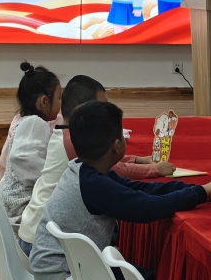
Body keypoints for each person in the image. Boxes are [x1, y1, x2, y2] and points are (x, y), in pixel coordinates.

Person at [30, 100, 211, 280]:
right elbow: (148, 208)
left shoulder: (83, 170)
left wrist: (197, 190)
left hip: (70, 270)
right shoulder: (94, 184)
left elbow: (139, 189)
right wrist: (201, 193)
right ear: (117, 146)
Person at [17, 75, 175, 256]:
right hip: (40, 243)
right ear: (84, 112)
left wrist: (138, 159)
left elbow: (107, 156)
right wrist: (154, 169)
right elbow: (116, 169)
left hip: (34, 232)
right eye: (102, 108)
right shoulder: (73, 141)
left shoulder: (68, 134)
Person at [0, 62, 62, 234]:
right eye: (59, 98)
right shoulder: (35, 123)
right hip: (21, 208)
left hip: (15, 204)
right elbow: (24, 160)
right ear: (44, 101)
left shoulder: (26, 122)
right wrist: (54, 176)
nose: (61, 103)